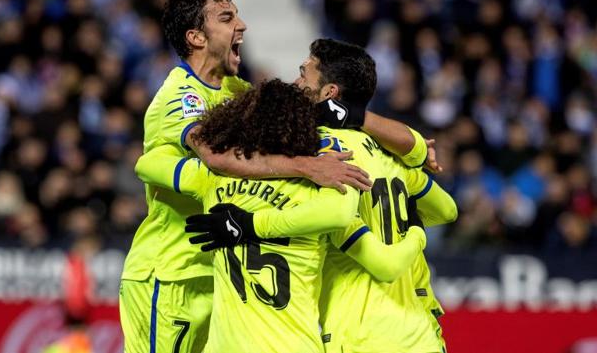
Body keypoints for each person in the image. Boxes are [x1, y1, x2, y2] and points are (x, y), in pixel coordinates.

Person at [119, 0, 373, 353]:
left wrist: (409, 141)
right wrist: (308, 166)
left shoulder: (236, 92)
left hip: (220, 278)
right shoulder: (179, 96)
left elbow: (313, 109)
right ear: (196, 37)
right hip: (170, 278)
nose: (242, 25)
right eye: (226, 18)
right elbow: (216, 157)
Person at [187, 39, 457, 353]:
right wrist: (414, 228)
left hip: (355, 333)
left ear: (329, 93)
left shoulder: (320, 160)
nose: (296, 81)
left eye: (304, 74)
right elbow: (447, 210)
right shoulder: (391, 153)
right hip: (418, 331)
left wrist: (250, 224)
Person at [135, 78, 429, 353]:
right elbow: (384, 261)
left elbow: (147, 164)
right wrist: (416, 230)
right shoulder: (323, 191)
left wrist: (215, 145)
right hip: (295, 344)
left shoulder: (211, 179)